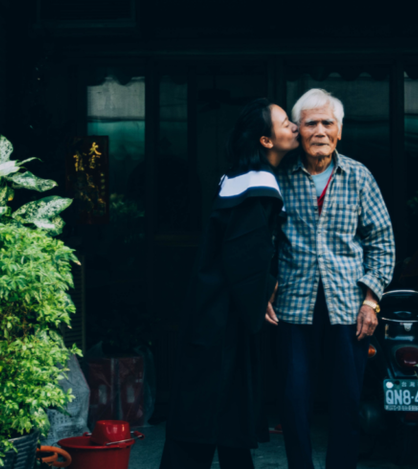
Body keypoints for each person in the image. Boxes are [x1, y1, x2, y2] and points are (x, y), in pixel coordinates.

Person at [160, 98, 299, 469]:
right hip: (222, 320)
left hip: (217, 311)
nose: (295, 127)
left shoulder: (240, 179)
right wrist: (265, 287)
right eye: (286, 122)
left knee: (222, 418)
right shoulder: (255, 188)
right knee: (208, 416)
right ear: (266, 141)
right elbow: (245, 256)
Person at [269, 88, 395, 469]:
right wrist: (263, 287)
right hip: (293, 305)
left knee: (346, 402)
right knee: (293, 400)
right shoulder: (279, 177)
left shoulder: (359, 176)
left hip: (349, 308)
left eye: (328, 123)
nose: (320, 131)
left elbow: (382, 240)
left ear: (340, 130)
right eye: (311, 123)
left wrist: (371, 301)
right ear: (297, 130)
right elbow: (264, 239)